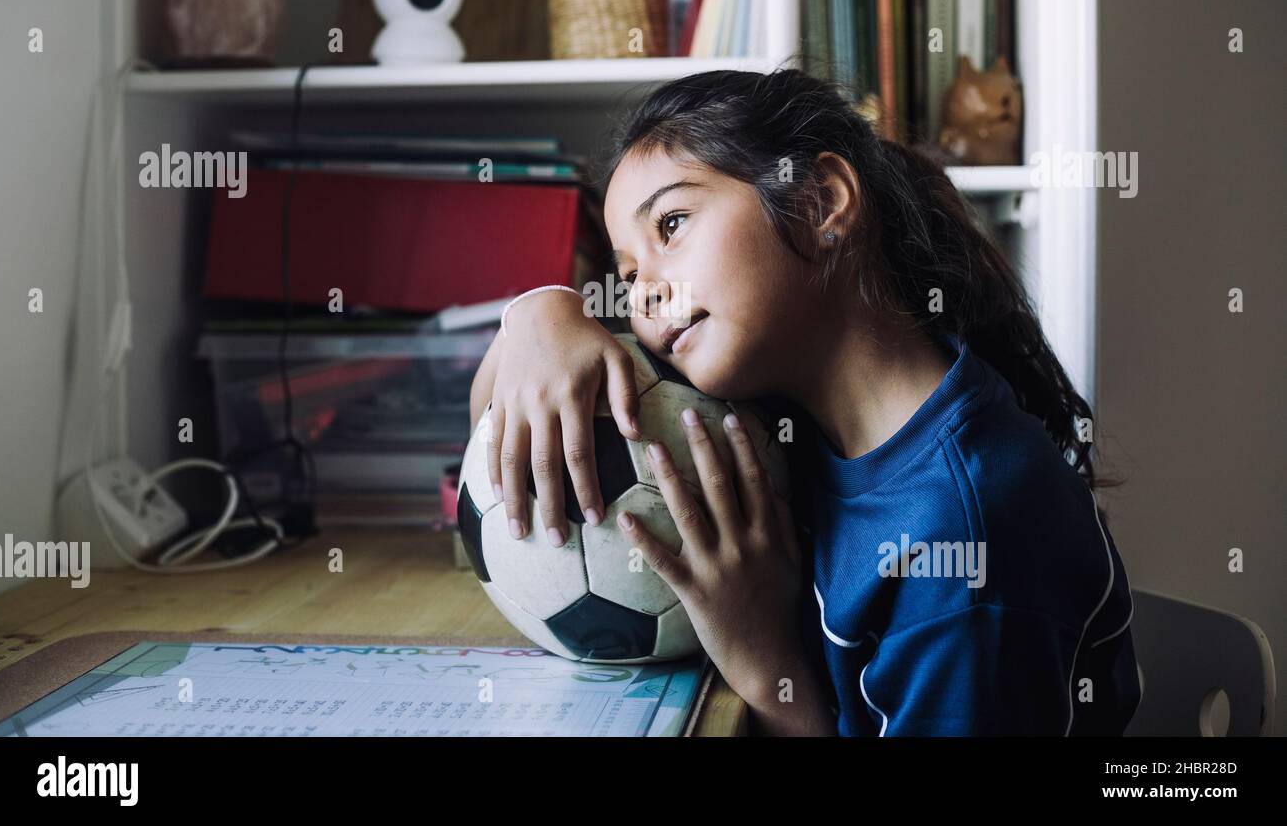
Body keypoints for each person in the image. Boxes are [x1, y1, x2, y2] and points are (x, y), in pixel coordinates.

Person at [468, 68, 1141, 737]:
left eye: (671, 224)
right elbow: (489, 424)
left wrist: (764, 664)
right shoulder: (789, 419)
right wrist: (537, 316)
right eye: (629, 273)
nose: (641, 296)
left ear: (820, 201)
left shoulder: (962, 544)